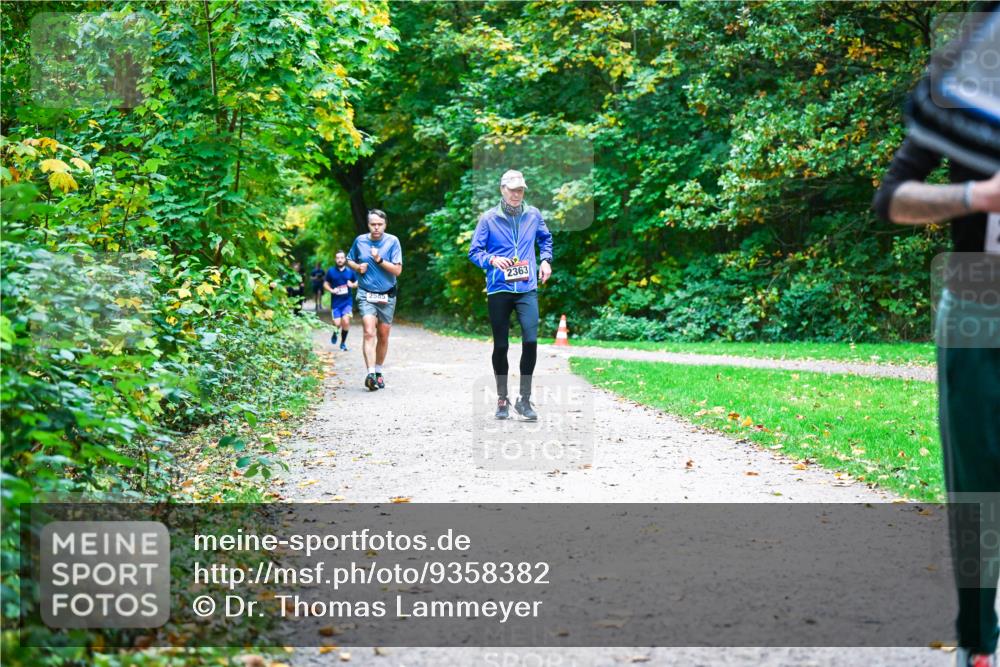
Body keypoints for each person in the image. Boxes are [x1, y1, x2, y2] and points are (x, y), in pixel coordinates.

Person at [874, 95, 1000, 667]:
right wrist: (979, 196)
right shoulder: (970, 100)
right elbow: (892, 199)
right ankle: (977, 641)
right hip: (981, 294)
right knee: (977, 485)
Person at [468, 169, 553, 421]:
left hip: (526, 287)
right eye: (513, 189)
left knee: (530, 340)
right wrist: (492, 259)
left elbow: (545, 239)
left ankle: (524, 400)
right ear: (502, 189)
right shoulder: (488, 219)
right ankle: (502, 398)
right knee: (501, 345)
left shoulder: (533, 215)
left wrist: (546, 260)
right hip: (499, 288)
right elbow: (474, 252)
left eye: (521, 190)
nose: (517, 194)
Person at [346, 210, 403, 391]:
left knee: (383, 335)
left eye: (379, 224)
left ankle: (378, 372)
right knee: (369, 332)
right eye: (373, 224)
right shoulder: (360, 241)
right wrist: (357, 266)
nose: (376, 227)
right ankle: (370, 373)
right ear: (368, 224)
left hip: (387, 294)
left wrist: (379, 260)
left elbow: (397, 271)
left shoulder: (392, 241)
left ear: (385, 225)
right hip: (366, 293)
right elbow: (349, 260)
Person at [323, 251, 358, 351]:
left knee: (346, 321)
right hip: (336, 302)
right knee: (337, 324)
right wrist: (331, 290)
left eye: (342, 258)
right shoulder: (331, 271)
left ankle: (343, 343)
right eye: (338, 258)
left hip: (347, 301)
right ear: (335, 259)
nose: (340, 260)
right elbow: (325, 284)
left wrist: (353, 285)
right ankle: (335, 332)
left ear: (345, 259)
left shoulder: (350, 271)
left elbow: (357, 282)